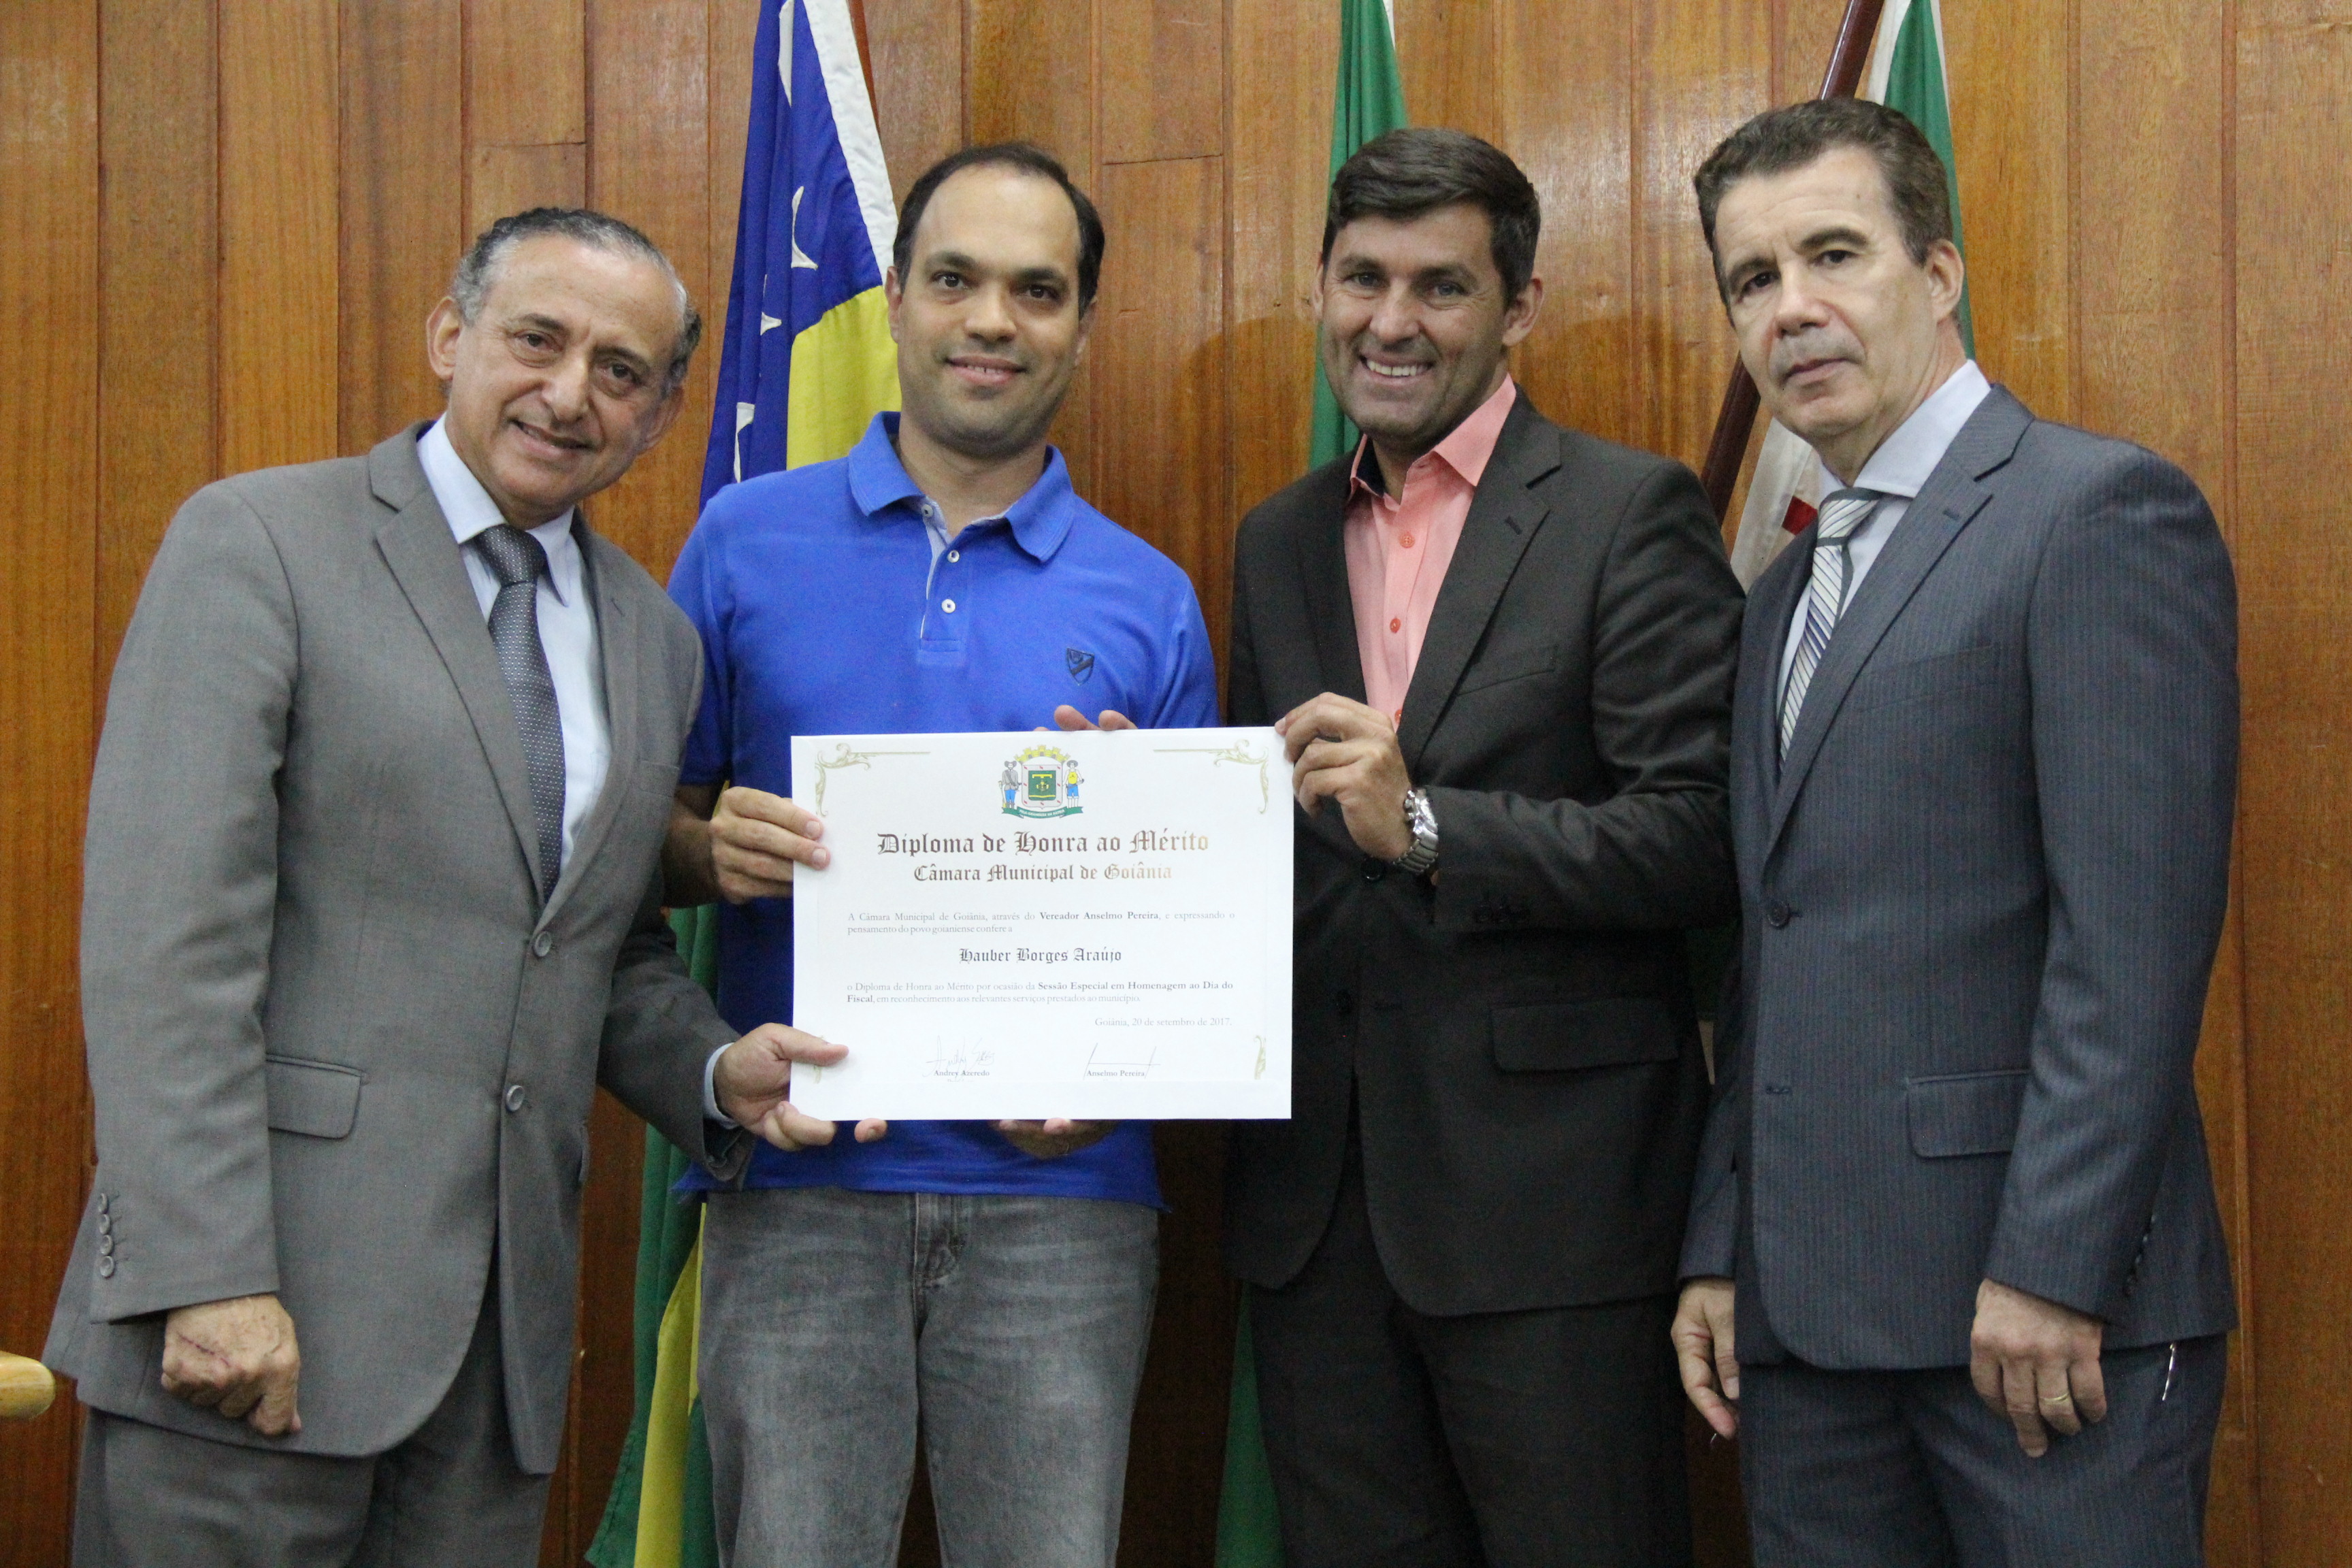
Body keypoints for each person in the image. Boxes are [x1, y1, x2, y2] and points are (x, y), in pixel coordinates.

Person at [46, 208, 844, 1567]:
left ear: (660, 412)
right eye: (538, 340)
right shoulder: (260, 543)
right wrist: (207, 1276)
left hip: (492, 1366)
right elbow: (165, 946)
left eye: (620, 370)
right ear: (448, 336)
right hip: (249, 1325)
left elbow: (594, 946)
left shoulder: (651, 640)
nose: (569, 393)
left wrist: (717, 1076)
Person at [1670, 98, 2238, 1568]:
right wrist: (1725, 1245)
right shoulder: (1785, 597)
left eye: (1834, 255)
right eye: (1752, 279)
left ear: (1938, 275)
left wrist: (2054, 1268)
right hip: (1807, 1332)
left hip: (2037, 1330)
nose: (1792, 309)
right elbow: (1775, 949)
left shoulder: (2096, 513)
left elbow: (2133, 947)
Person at [661, 142, 1218, 1568]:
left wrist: (1141, 864)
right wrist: (705, 847)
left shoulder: (1151, 598)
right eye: (956, 279)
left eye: (1038, 290)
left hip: (1062, 1206)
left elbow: (1191, 938)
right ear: (898, 297)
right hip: (797, 1184)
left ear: (1082, 325)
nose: (991, 320)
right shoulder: (740, 543)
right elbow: (633, 842)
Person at [1222, 127, 1744, 1567]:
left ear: (1518, 307)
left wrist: (1431, 827)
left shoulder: (1627, 511)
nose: (1391, 322)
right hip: (1317, 1220)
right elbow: (1274, 845)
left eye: (1441, 287)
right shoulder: (1277, 540)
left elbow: (1701, 837)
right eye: (1363, 279)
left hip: (1554, 1218)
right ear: (1320, 288)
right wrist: (1133, 812)